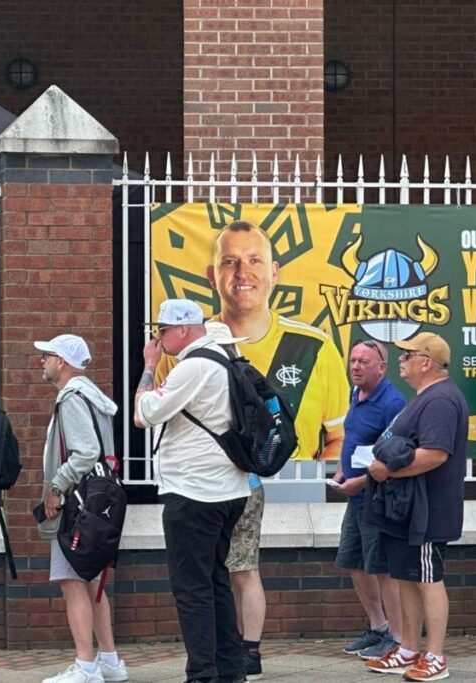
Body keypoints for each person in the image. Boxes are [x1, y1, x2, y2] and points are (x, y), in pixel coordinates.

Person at [135, 299, 251, 683]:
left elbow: (143, 414)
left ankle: (202, 673)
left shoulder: (195, 365)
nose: (158, 337)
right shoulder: (225, 358)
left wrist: (149, 367)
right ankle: (229, 669)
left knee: (191, 588)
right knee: (215, 580)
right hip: (227, 489)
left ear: (183, 329)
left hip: (194, 492)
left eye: (162, 330)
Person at [364, 332, 468, 682]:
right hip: (407, 509)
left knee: (427, 579)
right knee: (406, 577)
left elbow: (436, 454)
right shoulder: (425, 396)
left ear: (425, 362)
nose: (401, 361)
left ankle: (436, 656)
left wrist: (386, 469)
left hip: (429, 509)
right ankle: (408, 649)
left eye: (407, 355)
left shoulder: (440, 399)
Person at [205, 220, 350, 461]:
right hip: (213, 490)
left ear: (273, 272)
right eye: (230, 261)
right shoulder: (189, 348)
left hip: (293, 489)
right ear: (212, 275)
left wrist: (307, 484)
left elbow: (341, 438)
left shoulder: (315, 347)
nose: (242, 272)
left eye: (254, 260)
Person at [35, 334, 128, 683]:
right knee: (93, 584)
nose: (42, 361)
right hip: (99, 503)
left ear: (62, 362)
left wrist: (57, 486)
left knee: (71, 581)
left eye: (47, 356)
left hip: (76, 505)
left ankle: (86, 666)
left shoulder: (72, 399)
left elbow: (85, 452)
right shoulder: (93, 399)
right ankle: (110, 662)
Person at [333, 339, 406, 659]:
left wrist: (361, 482)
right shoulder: (355, 393)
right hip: (355, 499)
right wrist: (340, 468)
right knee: (352, 562)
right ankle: (377, 627)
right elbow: (353, 435)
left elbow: (396, 456)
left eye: (364, 362)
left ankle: (398, 636)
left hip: (377, 498)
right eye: (353, 361)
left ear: (381, 367)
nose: (356, 367)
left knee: (383, 568)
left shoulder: (393, 402)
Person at [203, 320, 265, 682]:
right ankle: (244, 647)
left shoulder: (217, 379)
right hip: (246, 481)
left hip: (233, 483)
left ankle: (249, 651)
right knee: (240, 569)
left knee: (242, 570)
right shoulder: (244, 375)